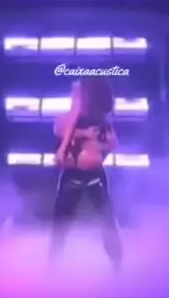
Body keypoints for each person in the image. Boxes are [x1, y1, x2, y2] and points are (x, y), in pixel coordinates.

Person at [50, 78, 122, 269]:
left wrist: (98, 147)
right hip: (71, 174)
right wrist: (81, 134)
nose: (75, 98)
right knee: (60, 222)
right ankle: (53, 264)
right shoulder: (65, 119)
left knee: (106, 219)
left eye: (79, 95)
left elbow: (113, 143)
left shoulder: (100, 121)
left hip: (94, 175)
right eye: (73, 95)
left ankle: (116, 262)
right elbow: (59, 130)